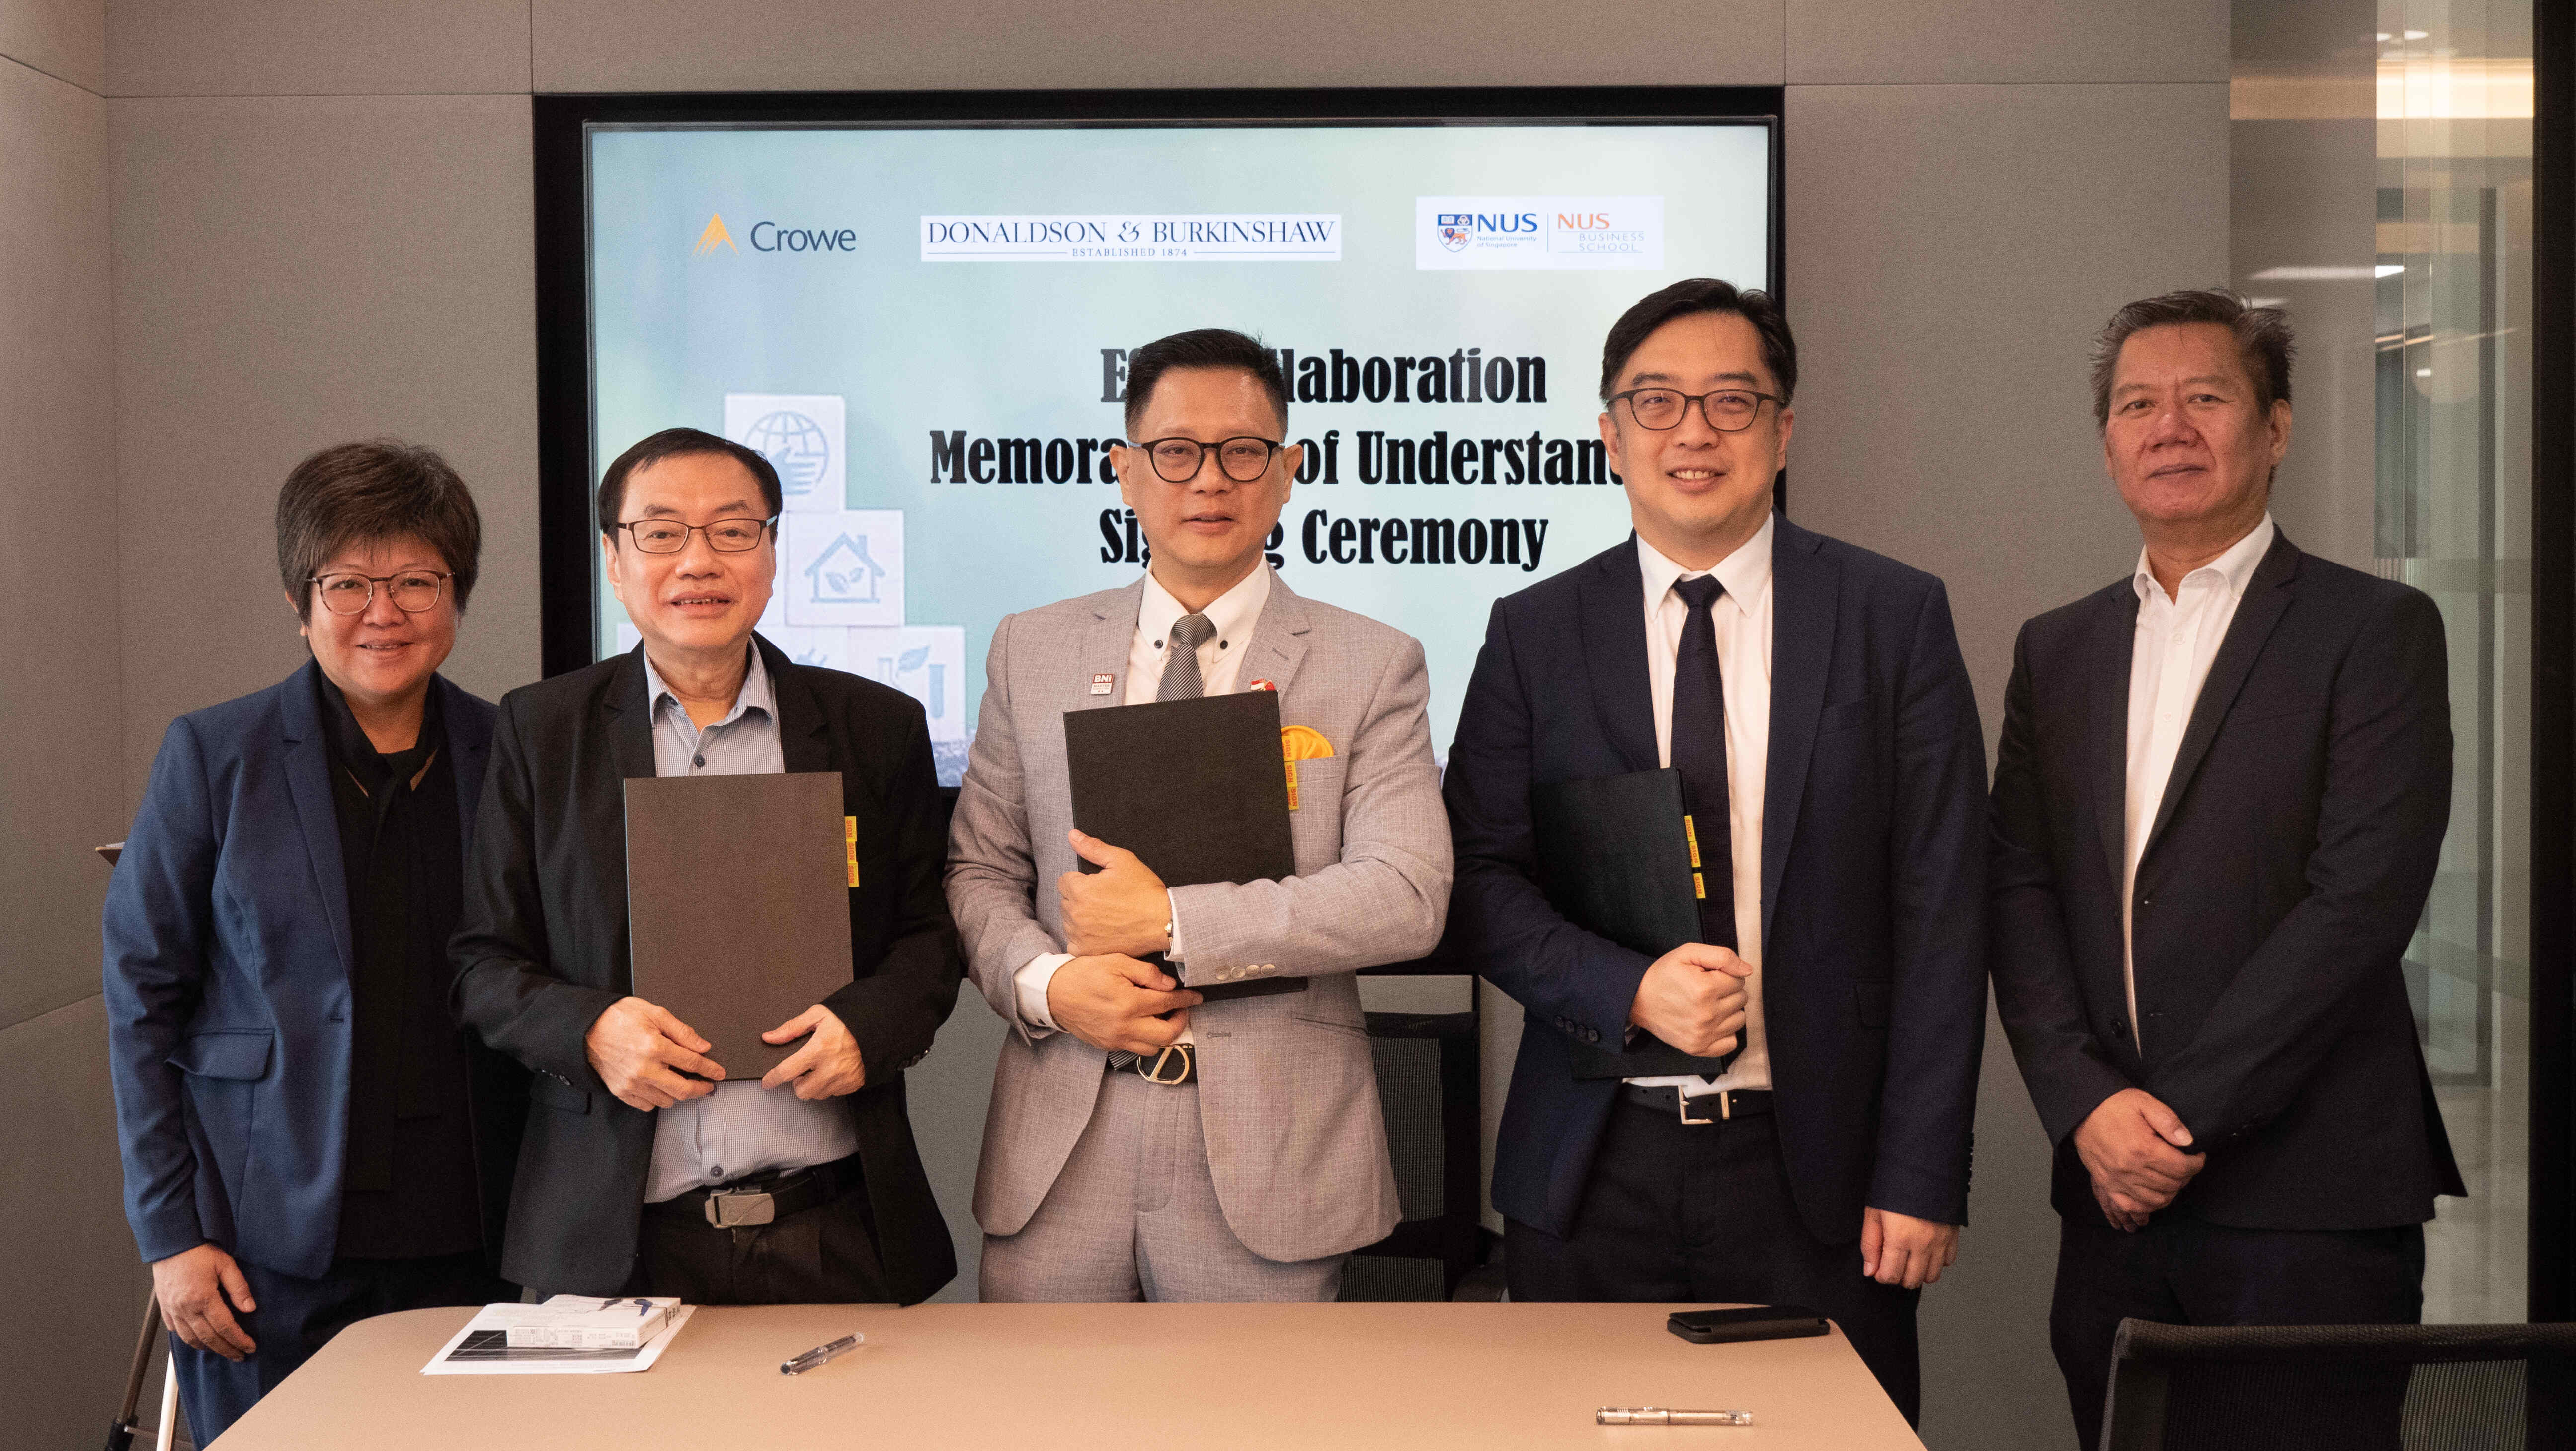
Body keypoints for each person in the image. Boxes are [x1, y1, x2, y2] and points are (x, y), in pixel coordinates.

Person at [1441, 279, 1987, 1421]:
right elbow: (1481, 883)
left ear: (1783, 431)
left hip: (1821, 1173)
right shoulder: (1534, 631)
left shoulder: (1891, 616)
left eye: (1732, 401)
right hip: (1592, 1168)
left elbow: (1946, 910)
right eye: (1657, 401)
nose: (1694, 431)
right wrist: (1630, 988)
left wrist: (1922, 1168)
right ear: (1610, 435)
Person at [1988, 289, 2461, 1447]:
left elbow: (2361, 904)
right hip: (2112, 1203)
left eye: (2206, 397)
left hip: (2309, 1205)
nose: (2170, 427)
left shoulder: (2375, 630)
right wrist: (2086, 1104)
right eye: (2137, 405)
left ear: (2277, 426)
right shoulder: (2057, 651)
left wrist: (2174, 1124)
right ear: (2108, 442)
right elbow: (2018, 888)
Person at [947, 327, 1451, 1302]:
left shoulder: (1372, 662)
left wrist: (1174, 922)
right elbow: (979, 870)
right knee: (1034, 1394)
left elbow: (1405, 895)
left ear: (1289, 472)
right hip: (1061, 1149)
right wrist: (1051, 984)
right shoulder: (1030, 649)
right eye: (1176, 452)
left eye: (1243, 452)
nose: (1210, 479)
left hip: (1270, 1156)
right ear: (1125, 471)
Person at [449, 428, 960, 1304]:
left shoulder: (875, 725)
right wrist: (590, 1031)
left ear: (772, 553)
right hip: (614, 1242)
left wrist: (868, 1028)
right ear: (614, 560)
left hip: (833, 1225)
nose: (699, 561)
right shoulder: (543, 731)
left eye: (733, 530)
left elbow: (930, 933)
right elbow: (483, 964)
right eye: (661, 532)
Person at [104, 442, 520, 1444]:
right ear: (301, 601)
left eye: (417, 581)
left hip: (475, 1235)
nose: (385, 611)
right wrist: (170, 1235)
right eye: (348, 583)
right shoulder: (216, 754)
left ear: (457, 597)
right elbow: (141, 1000)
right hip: (265, 1247)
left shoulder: (511, 751)